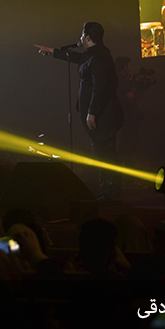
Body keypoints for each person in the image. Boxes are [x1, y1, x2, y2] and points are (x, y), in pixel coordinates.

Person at [38, 22, 124, 201]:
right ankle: (107, 191)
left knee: (106, 153)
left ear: (88, 37)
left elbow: (100, 87)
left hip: (103, 116)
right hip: (100, 114)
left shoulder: (99, 57)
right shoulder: (94, 53)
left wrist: (92, 112)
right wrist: (52, 51)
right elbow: (79, 59)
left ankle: (112, 193)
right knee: (102, 152)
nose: (80, 37)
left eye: (82, 34)